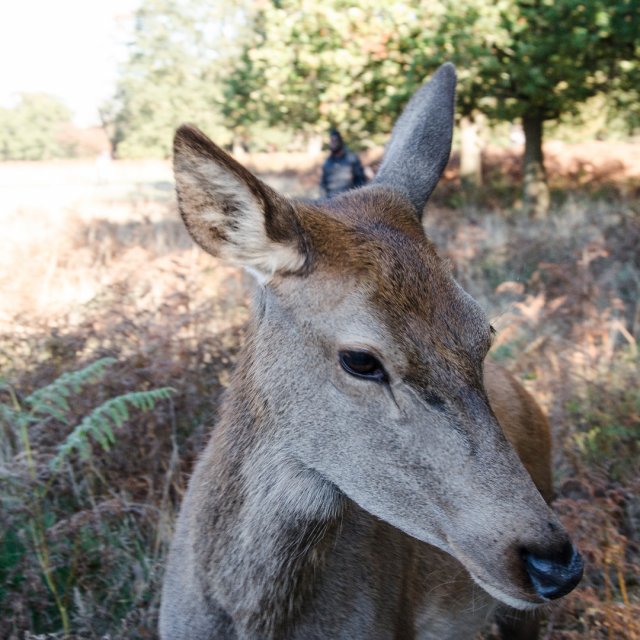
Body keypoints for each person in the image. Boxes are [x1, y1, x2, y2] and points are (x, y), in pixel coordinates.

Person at [320, 129, 366, 198]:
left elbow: (360, 181)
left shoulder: (352, 159)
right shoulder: (327, 162)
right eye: (330, 141)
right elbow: (323, 184)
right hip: (330, 201)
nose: (332, 143)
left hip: (349, 200)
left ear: (340, 141)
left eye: (334, 140)